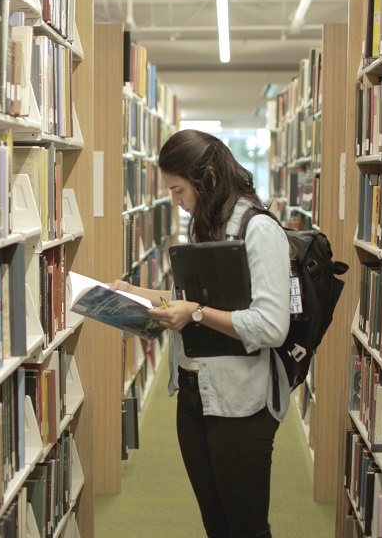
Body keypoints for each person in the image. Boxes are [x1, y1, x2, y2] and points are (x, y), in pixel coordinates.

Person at [111, 129, 291, 538]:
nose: (175, 202)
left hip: (240, 403)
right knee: (215, 524)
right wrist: (131, 294)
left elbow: (270, 325)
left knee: (245, 527)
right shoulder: (207, 225)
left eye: (178, 190)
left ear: (207, 178)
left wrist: (194, 314)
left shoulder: (258, 229)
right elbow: (186, 300)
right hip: (193, 396)